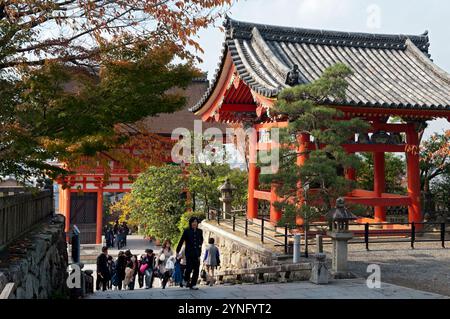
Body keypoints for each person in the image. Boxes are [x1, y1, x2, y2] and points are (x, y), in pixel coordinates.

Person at [176, 216, 203, 290]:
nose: (194, 223)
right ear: (190, 223)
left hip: (197, 253)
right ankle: (185, 279)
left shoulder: (200, 231)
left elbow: (201, 241)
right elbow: (181, 241)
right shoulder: (187, 231)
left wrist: (199, 250)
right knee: (189, 268)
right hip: (189, 253)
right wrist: (177, 251)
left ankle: (193, 284)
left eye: (196, 222)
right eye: (193, 222)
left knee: (196, 269)